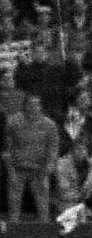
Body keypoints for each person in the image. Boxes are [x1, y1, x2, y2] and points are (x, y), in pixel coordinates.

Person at [4, 93, 59, 222]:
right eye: (30, 104)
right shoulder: (13, 122)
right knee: (13, 206)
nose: (34, 107)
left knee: (43, 206)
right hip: (18, 168)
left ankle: (44, 229)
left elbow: (53, 147)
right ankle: (13, 230)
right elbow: (7, 148)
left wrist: (50, 165)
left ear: (41, 107)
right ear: (24, 106)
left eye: (37, 105)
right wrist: (10, 169)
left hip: (40, 169)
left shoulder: (49, 125)